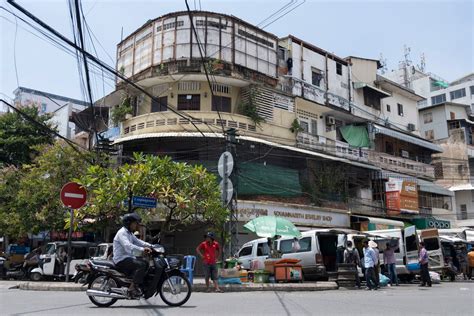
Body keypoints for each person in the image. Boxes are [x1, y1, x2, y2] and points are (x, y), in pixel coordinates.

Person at [113, 213, 153, 297]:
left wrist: (152, 246)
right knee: (141, 265)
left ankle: (136, 284)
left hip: (127, 257)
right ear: (128, 223)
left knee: (145, 263)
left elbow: (138, 242)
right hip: (121, 259)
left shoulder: (129, 233)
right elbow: (128, 246)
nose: (136, 225)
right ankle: (132, 288)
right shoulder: (122, 233)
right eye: (135, 223)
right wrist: (143, 249)